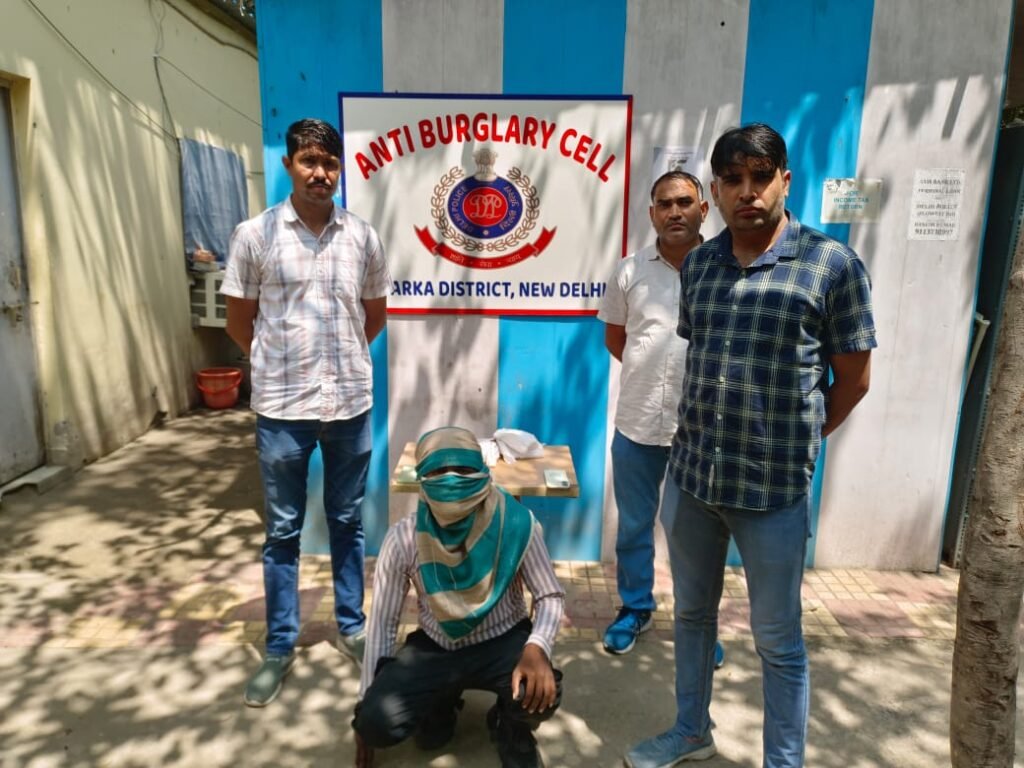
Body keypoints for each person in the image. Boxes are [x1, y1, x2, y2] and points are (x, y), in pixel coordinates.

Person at [625, 124, 876, 768]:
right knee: (691, 617)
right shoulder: (700, 265)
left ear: (784, 181)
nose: (748, 192)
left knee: (778, 640)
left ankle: (782, 761)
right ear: (716, 190)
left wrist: (796, 438)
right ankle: (691, 731)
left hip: (773, 494)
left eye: (761, 177)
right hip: (692, 481)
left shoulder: (831, 265)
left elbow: (853, 380)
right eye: (733, 180)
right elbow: (704, 356)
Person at [221, 118, 392, 707]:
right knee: (283, 531)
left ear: (340, 169)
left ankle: (352, 627)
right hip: (282, 410)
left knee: (347, 520)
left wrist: (339, 362)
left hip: (348, 405)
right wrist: (280, 365)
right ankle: (279, 646)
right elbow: (239, 322)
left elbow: (373, 315)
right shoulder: (255, 235)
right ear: (289, 165)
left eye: (330, 162)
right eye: (309, 161)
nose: (320, 173)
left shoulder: (362, 237)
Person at [353, 426, 564, 768]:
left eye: (463, 470)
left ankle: (509, 725)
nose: (451, 481)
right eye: (438, 472)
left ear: (481, 472)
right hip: (435, 646)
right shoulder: (403, 538)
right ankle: (441, 701)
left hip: (502, 640)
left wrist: (537, 647)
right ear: (422, 480)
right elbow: (382, 623)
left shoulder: (517, 523)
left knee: (540, 693)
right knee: (376, 722)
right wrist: (364, 703)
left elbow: (550, 595)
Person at [596, 171, 723, 668]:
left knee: (697, 534)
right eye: (665, 204)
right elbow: (617, 340)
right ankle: (635, 609)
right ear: (651, 213)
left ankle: (699, 623)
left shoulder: (725, 269)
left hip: (703, 429)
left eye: (684, 202)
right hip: (638, 422)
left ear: (703, 209)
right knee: (634, 526)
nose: (675, 212)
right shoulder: (630, 271)